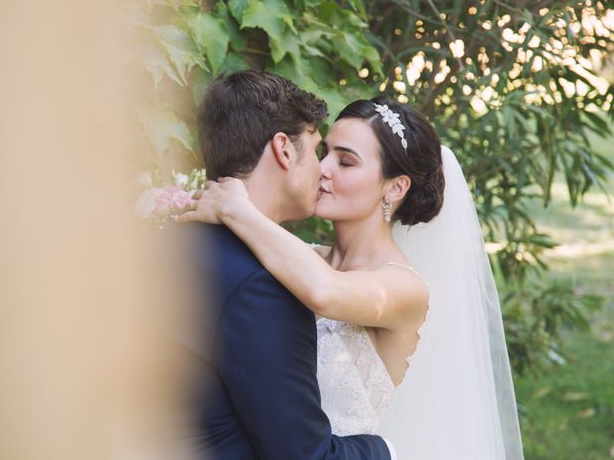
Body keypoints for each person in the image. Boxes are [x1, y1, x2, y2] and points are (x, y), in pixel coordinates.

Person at [178, 95, 525, 459]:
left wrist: (238, 209)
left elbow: (325, 292)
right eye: (323, 152)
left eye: (345, 161)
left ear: (395, 188)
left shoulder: (404, 287)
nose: (322, 169)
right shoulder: (299, 257)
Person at [172, 70, 396, 459]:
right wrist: (386, 450)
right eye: (315, 150)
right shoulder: (264, 287)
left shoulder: (170, 243)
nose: (322, 170)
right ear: (284, 149)